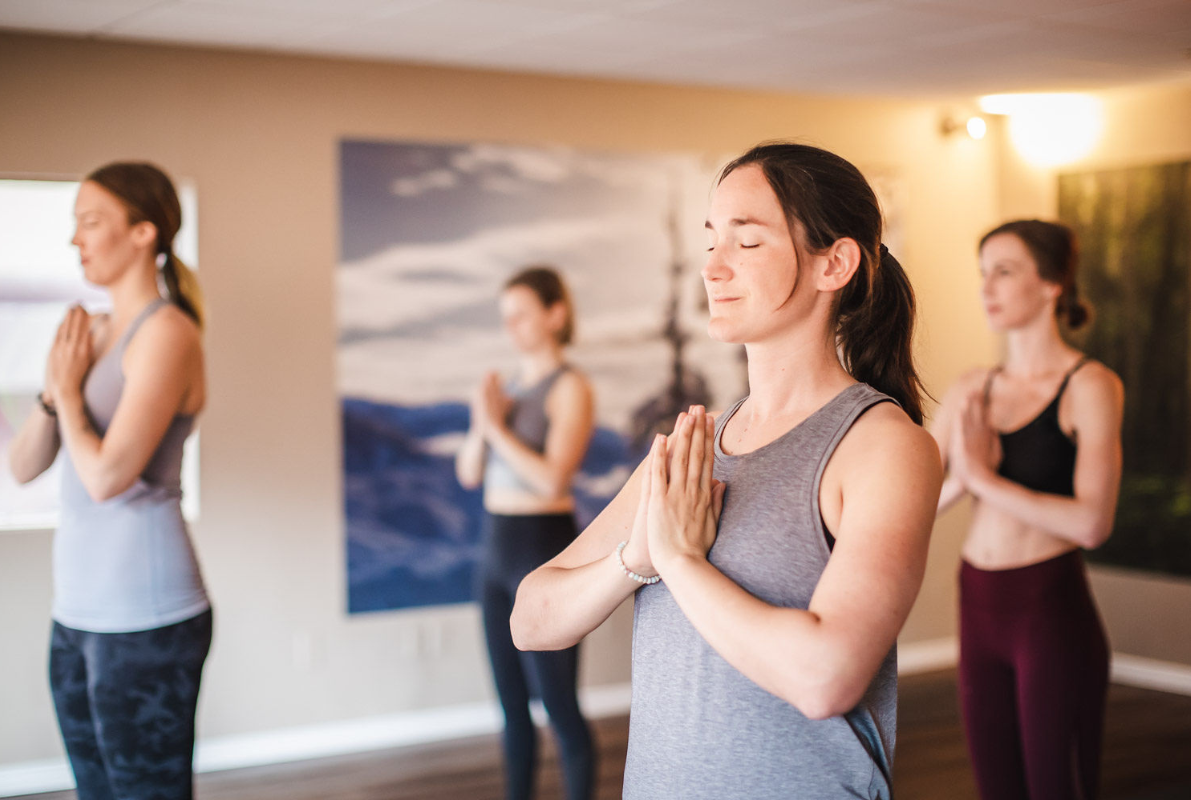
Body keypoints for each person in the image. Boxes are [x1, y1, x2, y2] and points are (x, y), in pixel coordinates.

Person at [510, 143, 943, 799]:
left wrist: (683, 563)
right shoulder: (694, 443)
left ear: (835, 263)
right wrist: (636, 559)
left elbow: (825, 678)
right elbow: (531, 619)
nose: (712, 268)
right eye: (710, 239)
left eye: (746, 242)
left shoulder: (882, 446)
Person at [8, 162, 211, 800]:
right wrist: (52, 395)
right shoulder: (91, 333)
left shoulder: (169, 334)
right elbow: (21, 467)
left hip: (145, 615)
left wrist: (67, 393)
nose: (77, 240)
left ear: (144, 232)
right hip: (74, 612)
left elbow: (106, 478)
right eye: (75, 225)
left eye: (92, 222)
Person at [931, 220, 1124, 800]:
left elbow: (1092, 523)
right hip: (978, 600)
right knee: (997, 787)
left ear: (1052, 284)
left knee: (1052, 786)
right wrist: (964, 481)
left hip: (1048, 608)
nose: (987, 287)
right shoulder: (972, 388)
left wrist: (983, 478)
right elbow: (916, 501)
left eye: (1005, 271)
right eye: (983, 273)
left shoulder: (1090, 385)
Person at [455, 266, 597, 800]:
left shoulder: (571, 387)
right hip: (495, 551)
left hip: (543, 546)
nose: (510, 325)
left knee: (559, 705)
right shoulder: (507, 392)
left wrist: (495, 429)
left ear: (555, 315)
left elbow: (554, 478)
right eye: (505, 316)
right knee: (511, 709)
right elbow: (469, 473)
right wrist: (481, 422)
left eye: (521, 313)